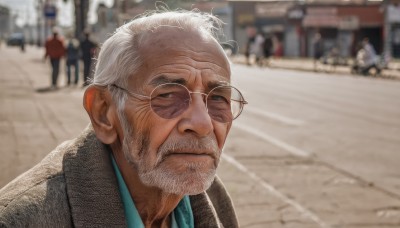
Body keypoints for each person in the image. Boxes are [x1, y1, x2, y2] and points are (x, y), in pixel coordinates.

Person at [0, 10, 247, 227]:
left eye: (217, 99)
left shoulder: (211, 196)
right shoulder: (22, 220)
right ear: (103, 113)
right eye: (168, 95)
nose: (203, 124)